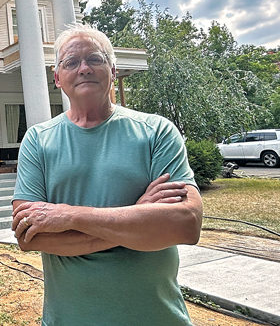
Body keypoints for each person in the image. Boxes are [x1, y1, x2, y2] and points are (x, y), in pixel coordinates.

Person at [12, 24, 203, 325]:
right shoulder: (38, 139)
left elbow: (186, 225)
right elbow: (29, 237)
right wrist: (138, 217)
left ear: (113, 70)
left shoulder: (157, 131)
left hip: (155, 317)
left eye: (95, 59)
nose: (84, 68)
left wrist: (70, 216)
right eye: (71, 62)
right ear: (57, 77)